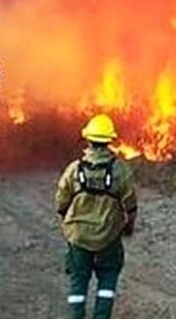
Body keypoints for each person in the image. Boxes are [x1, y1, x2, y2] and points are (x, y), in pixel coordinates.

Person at [55, 114, 138, 319]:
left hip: (79, 238)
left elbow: (61, 202)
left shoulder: (75, 170)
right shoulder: (120, 171)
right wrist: (128, 226)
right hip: (108, 238)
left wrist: (68, 220)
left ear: (88, 139)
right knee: (107, 281)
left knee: (78, 282)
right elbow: (131, 205)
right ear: (110, 140)